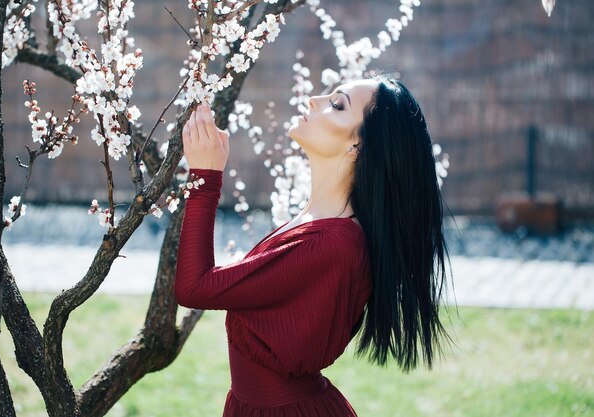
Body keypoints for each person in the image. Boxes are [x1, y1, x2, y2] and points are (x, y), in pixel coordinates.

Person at [175, 74, 454, 416]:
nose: (313, 100)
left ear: (358, 146)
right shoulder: (321, 223)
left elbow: (194, 288)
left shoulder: (334, 245)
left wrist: (205, 179)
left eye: (337, 105)